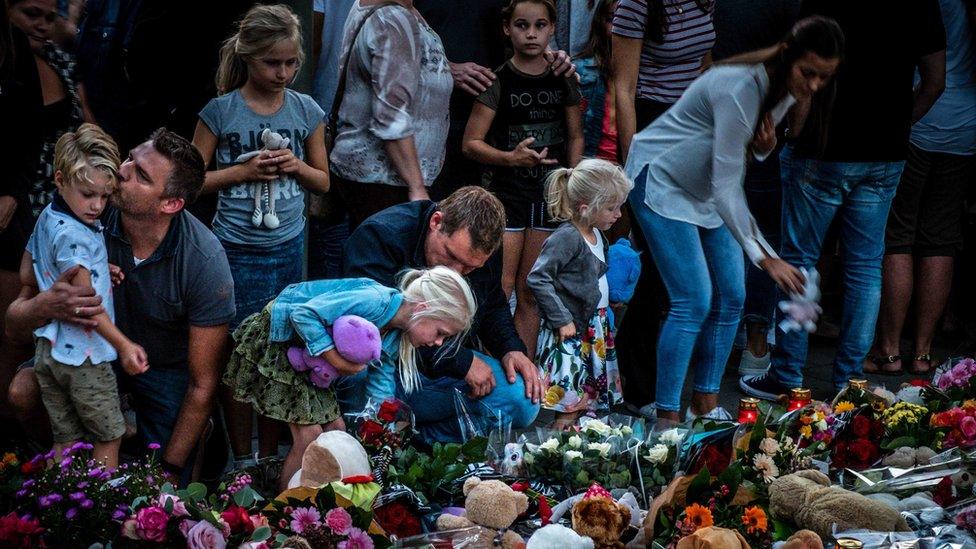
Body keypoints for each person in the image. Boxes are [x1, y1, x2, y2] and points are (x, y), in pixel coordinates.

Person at [627, 16, 843, 422]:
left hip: (706, 189)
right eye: (809, 73)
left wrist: (764, 148)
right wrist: (765, 256)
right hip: (659, 179)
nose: (814, 85)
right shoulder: (742, 86)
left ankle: (705, 401)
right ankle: (667, 417)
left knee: (733, 295)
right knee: (694, 299)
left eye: (823, 78)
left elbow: (734, 157)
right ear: (788, 56)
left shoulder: (783, 87)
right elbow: (729, 185)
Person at [741, 0, 947, 398]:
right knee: (866, 267)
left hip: (823, 148)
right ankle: (850, 381)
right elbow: (935, 81)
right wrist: (900, 124)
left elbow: (803, 77)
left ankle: (788, 376)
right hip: (885, 151)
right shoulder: (923, 6)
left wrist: (795, 135)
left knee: (800, 262)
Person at [6, 129, 235, 486]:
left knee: (161, 480)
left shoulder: (203, 259)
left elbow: (203, 383)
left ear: (170, 203)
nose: (122, 171)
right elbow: (13, 325)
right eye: (129, 158)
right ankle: (67, 471)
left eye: (141, 174)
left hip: (158, 370)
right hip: (83, 350)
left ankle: (181, 449)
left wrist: (169, 471)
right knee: (23, 390)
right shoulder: (82, 212)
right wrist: (44, 304)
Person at [191, 4, 330, 468]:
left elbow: (324, 181)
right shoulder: (220, 111)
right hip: (232, 250)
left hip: (288, 248)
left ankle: (271, 456)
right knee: (237, 356)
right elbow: (189, 182)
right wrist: (240, 171)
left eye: (292, 63)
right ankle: (241, 455)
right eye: (274, 63)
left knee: (278, 353)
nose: (285, 72)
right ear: (248, 57)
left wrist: (297, 167)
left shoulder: (306, 110)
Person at [226, 267, 476, 490]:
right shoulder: (374, 302)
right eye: (441, 332)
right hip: (282, 341)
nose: (438, 342)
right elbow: (303, 314)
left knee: (337, 430)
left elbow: (381, 381)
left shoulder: (395, 335)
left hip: (312, 362)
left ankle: (323, 496)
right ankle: (285, 509)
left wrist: (383, 429)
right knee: (309, 436)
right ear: (423, 309)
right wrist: (336, 361)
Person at [337, 186, 543, 442]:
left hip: (440, 367)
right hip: (387, 364)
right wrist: (461, 360)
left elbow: (491, 303)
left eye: (469, 268)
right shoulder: (379, 236)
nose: (456, 272)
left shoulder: (479, 250)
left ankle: (416, 441)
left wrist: (510, 348)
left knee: (523, 398)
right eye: (450, 256)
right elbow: (367, 331)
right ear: (437, 221)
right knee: (358, 371)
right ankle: (372, 437)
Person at [462, 0, 584, 357]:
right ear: (507, 28)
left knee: (532, 289)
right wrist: (509, 158)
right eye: (521, 25)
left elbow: (576, 135)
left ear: (552, 28)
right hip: (507, 195)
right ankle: (492, 365)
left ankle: (524, 375)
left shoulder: (564, 78)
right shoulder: (498, 80)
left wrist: (571, 179)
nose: (531, 34)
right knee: (500, 287)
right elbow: (470, 143)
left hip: (549, 195)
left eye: (540, 25)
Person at [21, 124, 147, 467]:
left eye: (105, 196)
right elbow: (88, 306)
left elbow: (26, 270)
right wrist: (124, 345)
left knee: (65, 440)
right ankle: (104, 511)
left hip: (49, 351)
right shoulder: (75, 237)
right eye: (88, 194)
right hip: (84, 355)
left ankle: (57, 509)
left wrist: (93, 268)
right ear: (60, 179)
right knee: (109, 436)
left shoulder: (49, 215)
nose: (97, 205)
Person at [864, 0, 975, 376]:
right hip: (965, 127)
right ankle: (924, 351)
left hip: (917, 120)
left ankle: (890, 350)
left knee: (897, 235)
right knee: (941, 237)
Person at [710, 0, 801, 377]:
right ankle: (754, 342)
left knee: (728, 234)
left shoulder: (717, 6)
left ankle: (735, 341)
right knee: (755, 233)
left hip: (729, 125)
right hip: (755, 127)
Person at [329, 0, 453, 230]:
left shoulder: (402, 9)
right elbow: (391, 115)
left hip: (388, 182)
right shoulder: (392, 18)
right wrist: (416, 188)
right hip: (388, 183)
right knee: (385, 261)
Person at [528, 159, 632, 427]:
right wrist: (561, 318)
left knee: (590, 403)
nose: (619, 214)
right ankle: (555, 448)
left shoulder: (598, 234)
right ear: (586, 208)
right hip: (572, 331)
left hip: (595, 327)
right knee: (571, 405)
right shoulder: (568, 237)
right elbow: (538, 278)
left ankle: (575, 452)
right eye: (612, 208)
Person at [8, 0, 93, 220]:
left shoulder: (62, 62)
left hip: (63, 208)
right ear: (6, 10)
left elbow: (91, 130)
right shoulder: (6, 69)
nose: (42, 25)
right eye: (32, 14)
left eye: (50, 18)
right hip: (13, 206)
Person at [577, 0, 619, 161]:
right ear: (600, 22)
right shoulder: (580, 72)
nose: (619, 29)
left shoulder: (651, 77)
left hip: (632, 170)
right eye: (611, 20)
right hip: (592, 168)